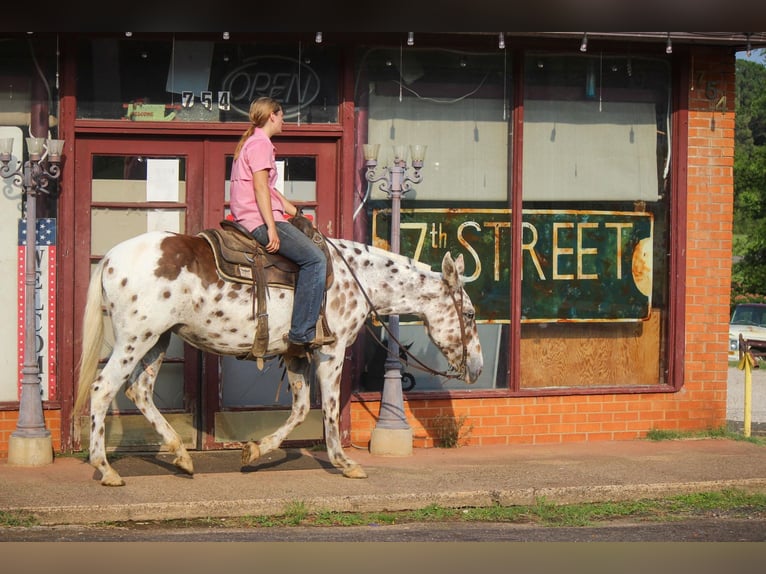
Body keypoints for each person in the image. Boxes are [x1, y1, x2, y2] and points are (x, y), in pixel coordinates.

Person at [229, 96, 334, 349]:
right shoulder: (260, 144)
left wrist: (294, 212)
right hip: (259, 220)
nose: (284, 121)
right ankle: (301, 333)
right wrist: (273, 227)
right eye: (282, 115)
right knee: (315, 260)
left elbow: (269, 189)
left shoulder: (253, 142)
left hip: (255, 216)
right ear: (272, 115)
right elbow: (260, 189)